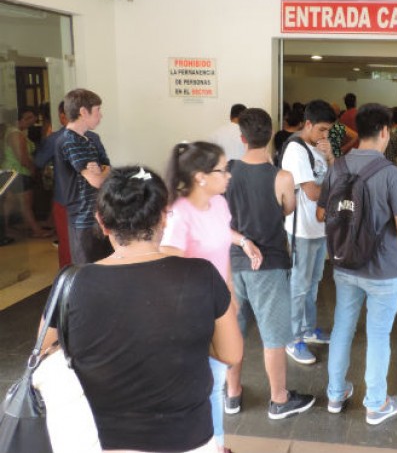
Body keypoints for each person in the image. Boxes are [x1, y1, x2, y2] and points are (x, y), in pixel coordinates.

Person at [41, 166, 243, 453]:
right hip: (190, 439)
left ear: (102, 221)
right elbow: (231, 354)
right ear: (163, 217)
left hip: (100, 441)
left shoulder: (70, 284)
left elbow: (44, 356)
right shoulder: (201, 274)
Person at [317, 103, 397, 425]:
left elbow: (321, 213)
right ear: (385, 131)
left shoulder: (338, 166)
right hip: (382, 270)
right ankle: (375, 403)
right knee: (378, 335)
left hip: (344, 264)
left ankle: (335, 394)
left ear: (358, 131)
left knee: (342, 328)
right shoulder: (390, 173)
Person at [223, 108, 316, 420]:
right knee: (273, 337)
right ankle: (279, 399)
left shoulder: (227, 171)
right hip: (269, 264)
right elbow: (288, 208)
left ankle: (232, 394)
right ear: (271, 134)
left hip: (234, 261)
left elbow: (220, 217)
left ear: (242, 138)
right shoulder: (282, 177)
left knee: (233, 331)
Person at [160, 141, 240, 453]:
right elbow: (169, 269)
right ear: (200, 177)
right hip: (191, 313)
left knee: (217, 378)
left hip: (217, 307)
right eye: (222, 170)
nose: (228, 175)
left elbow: (223, 249)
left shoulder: (218, 204)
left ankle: (216, 442)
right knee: (208, 382)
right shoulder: (179, 214)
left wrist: (229, 292)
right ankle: (212, 443)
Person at [281, 99, 336, 364]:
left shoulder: (318, 148)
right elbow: (313, 192)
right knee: (299, 286)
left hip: (319, 227)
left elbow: (334, 177)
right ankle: (293, 339)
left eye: (328, 131)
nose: (324, 135)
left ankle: (308, 329)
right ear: (308, 123)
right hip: (302, 228)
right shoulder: (296, 149)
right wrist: (335, 188)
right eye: (321, 129)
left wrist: (331, 157)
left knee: (313, 283)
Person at [55, 88, 112, 264]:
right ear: (83, 112)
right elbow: (97, 181)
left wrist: (102, 169)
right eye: (97, 110)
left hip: (99, 216)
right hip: (83, 221)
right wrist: (102, 172)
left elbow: (108, 167)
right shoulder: (69, 141)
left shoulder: (92, 138)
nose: (100, 115)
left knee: (106, 267)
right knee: (88, 270)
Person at [3, 106, 49, 238]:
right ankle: (36, 230)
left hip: (13, 172)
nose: (32, 122)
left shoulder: (14, 132)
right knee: (26, 204)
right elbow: (22, 158)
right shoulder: (16, 134)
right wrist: (32, 169)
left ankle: (5, 228)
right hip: (18, 172)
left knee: (10, 202)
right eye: (29, 118)